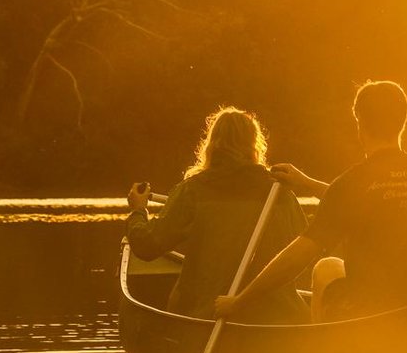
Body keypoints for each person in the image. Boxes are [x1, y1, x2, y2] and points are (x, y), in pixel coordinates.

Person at [215, 79, 407, 322]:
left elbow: (299, 255)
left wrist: (240, 301)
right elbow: (371, 202)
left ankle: (322, 352)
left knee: (323, 267)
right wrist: (306, 183)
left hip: (373, 313)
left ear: (360, 122)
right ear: (403, 121)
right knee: (329, 267)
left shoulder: (353, 183)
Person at [125, 106, 308, 322]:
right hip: (278, 318)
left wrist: (138, 212)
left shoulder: (193, 191)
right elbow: (306, 252)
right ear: (254, 145)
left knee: (177, 294)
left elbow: (147, 246)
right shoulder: (280, 192)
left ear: (212, 145)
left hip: (209, 316)